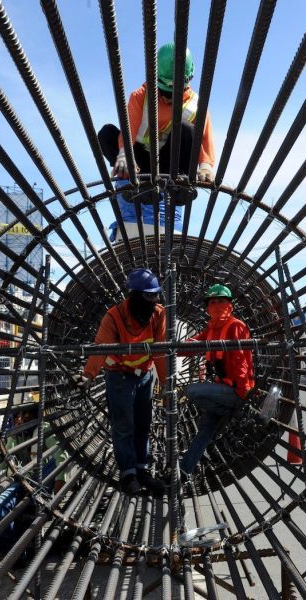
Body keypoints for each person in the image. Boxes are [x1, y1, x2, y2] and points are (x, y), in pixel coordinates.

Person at [98, 43, 215, 240]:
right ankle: (138, 187)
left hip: (170, 164)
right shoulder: (141, 96)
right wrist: (124, 155)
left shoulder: (196, 105)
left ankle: (178, 189)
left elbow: (205, 140)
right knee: (106, 133)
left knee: (187, 131)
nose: (168, 98)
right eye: (164, 91)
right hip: (141, 161)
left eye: (172, 93)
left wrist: (205, 167)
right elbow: (129, 131)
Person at [73, 268, 167, 495]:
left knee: (144, 423)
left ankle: (142, 470)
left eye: (156, 295)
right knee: (124, 425)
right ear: (135, 295)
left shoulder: (158, 313)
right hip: (119, 375)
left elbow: (162, 351)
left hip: (145, 375)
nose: (154, 300)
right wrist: (88, 376)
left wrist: (165, 383)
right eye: (149, 296)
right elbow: (101, 349)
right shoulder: (113, 316)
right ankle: (128, 475)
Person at [179, 284, 255, 476]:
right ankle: (184, 470)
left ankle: (231, 408)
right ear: (207, 307)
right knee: (205, 431)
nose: (216, 305)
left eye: (221, 301)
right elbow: (192, 345)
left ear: (229, 304)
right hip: (223, 390)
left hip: (236, 390)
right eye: (212, 302)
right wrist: (169, 347)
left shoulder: (235, 326)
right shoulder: (212, 329)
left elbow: (240, 359)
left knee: (191, 391)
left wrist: (243, 391)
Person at [0, 407, 69, 554]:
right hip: (21, 481)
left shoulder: (44, 429)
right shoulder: (14, 435)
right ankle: (13, 551)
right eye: (17, 416)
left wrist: (58, 495)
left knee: (56, 459)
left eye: (26, 413)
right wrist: (10, 438)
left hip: (43, 480)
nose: (21, 418)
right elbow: (2, 465)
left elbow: (61, 457)